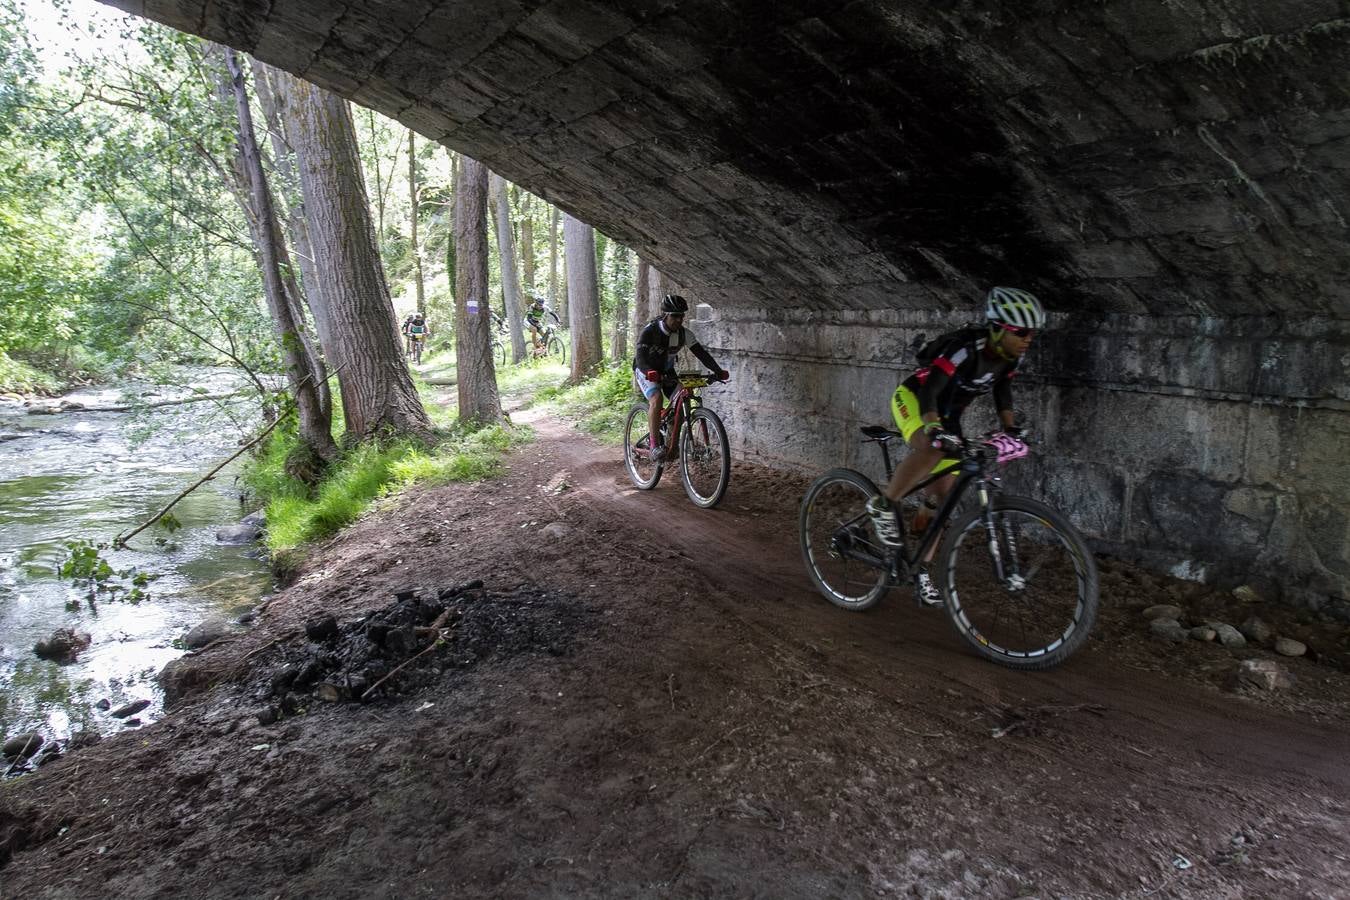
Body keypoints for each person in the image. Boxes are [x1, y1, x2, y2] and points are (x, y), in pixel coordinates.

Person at [866, 286, 1045, 606]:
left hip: (949, 416)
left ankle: (920, 570)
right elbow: (931, 389)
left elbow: (1002, 392)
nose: (1027, 338)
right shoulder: (966, 348)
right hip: (917, 400)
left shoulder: (1010, 357)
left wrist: (1011, 430)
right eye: (1020, 332)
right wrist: (932, 426)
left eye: (1032, 333)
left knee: (942, 498)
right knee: (933, 447)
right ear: (997, 328)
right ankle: (883, 504)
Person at [632, 294, 730, 462]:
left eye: (681, 316)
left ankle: (672, 444)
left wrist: (718, 371)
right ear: (665, 315)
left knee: (682, 399)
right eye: (675, 316)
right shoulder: (650, 331)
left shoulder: (684, 334)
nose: (679, 320)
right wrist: (649, 372)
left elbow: (702, 354)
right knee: (656, 399)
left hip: (667, 371)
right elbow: (640, 358)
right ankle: (654, 446)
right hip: (646, 370)